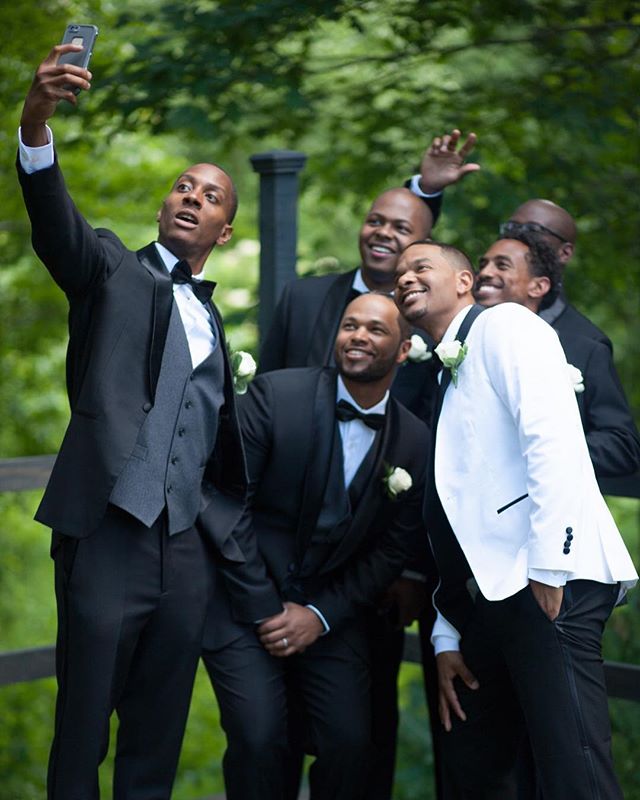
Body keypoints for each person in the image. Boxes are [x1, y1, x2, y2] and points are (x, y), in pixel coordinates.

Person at [17, 44, 282, 799]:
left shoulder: (215, 323)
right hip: (107, 532)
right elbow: (53, 220)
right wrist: (37, 121)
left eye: (212, 196)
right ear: (165, 205)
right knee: (82, 727)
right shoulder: (109, 271)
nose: (192, 197)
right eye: (182, 186)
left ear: (224, 231)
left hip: (185, 552)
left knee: (158, 730)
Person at [394, 239, 638, 799]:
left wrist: (553, 565)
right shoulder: (446, 372)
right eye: (400, 273)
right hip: (490, 596)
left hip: (548, 579)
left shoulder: (505, 326)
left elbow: (552, 440)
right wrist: (447, 627)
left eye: (421, 266)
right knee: (490, 769)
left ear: (463, 282)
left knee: (573, 765)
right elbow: (456, 510)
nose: (405, 276)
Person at [202, 293, 430, 800]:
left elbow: (392, 550)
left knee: (351, 744)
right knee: (258, 740)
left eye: (375, 329)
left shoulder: (416, 443)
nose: (359, 337)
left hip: (330, 615)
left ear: (403, 349)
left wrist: (319, 615)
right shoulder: (275, 396)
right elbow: (229, 504)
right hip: (243, 607)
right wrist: (265, 608)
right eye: (350, 326)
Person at [474, 231, 640, 477]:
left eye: (502, 265)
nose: (485, 273)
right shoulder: (455, 346)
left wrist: (541, 450)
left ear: (538, 286)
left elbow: (621, 447)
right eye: (483, 264)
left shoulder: (585, 350)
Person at [500, 198, 613, 351]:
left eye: (532, 229)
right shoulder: (470, 310)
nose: (516, 236)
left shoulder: (589, 344)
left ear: (565, 252)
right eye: (511, 227)